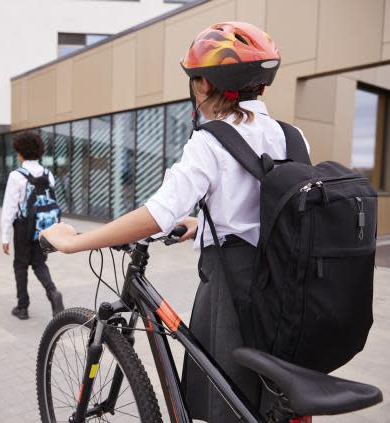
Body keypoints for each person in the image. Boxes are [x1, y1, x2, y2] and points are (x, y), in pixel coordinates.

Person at [40, 22, 308, 422]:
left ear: (203, 85)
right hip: (287, 291)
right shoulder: (293, 137)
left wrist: (74, 242)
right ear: (261, 87)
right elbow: (272, 208)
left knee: (224, 402)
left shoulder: (211, 140)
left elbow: (155, 215)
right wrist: (203, 225)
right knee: (264, 400)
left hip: (232, 293)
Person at [1, 132, 64, 320]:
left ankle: (22, 307)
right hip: (43, 227)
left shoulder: (16, 176)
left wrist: (5, 236)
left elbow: (9, 208)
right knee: (39, 263)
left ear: (20, 152)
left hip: (23, 227)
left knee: (20, 265)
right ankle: (53, 293)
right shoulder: (48, 174)